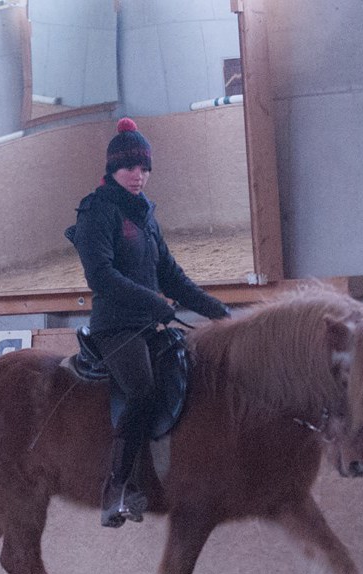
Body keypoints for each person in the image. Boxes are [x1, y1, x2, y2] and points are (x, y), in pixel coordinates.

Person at [66, 117, 230, 529]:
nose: (138, 176)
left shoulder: (146, 216)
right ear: (112, 169)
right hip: (116, 326)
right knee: (141, 389)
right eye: (130, 168)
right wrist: (152, 300)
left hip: (149, 322)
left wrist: (219, 312)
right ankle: (115, 488)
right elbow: (100, 276)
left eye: (144, 168)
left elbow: (172, 274)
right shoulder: (97, 210)